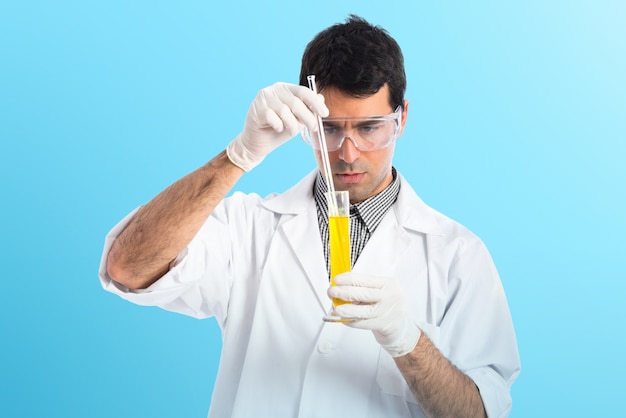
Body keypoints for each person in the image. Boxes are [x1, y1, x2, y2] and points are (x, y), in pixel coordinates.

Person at [99, 15, 520, 418]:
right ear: (307, 123)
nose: (349, 153)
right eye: (331, 129)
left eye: (371, 127)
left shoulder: (458, 256)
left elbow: (479, 413)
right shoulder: (250, 227)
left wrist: (408, 341)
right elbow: (127, 267)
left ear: (402, 118)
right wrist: (238, 156)